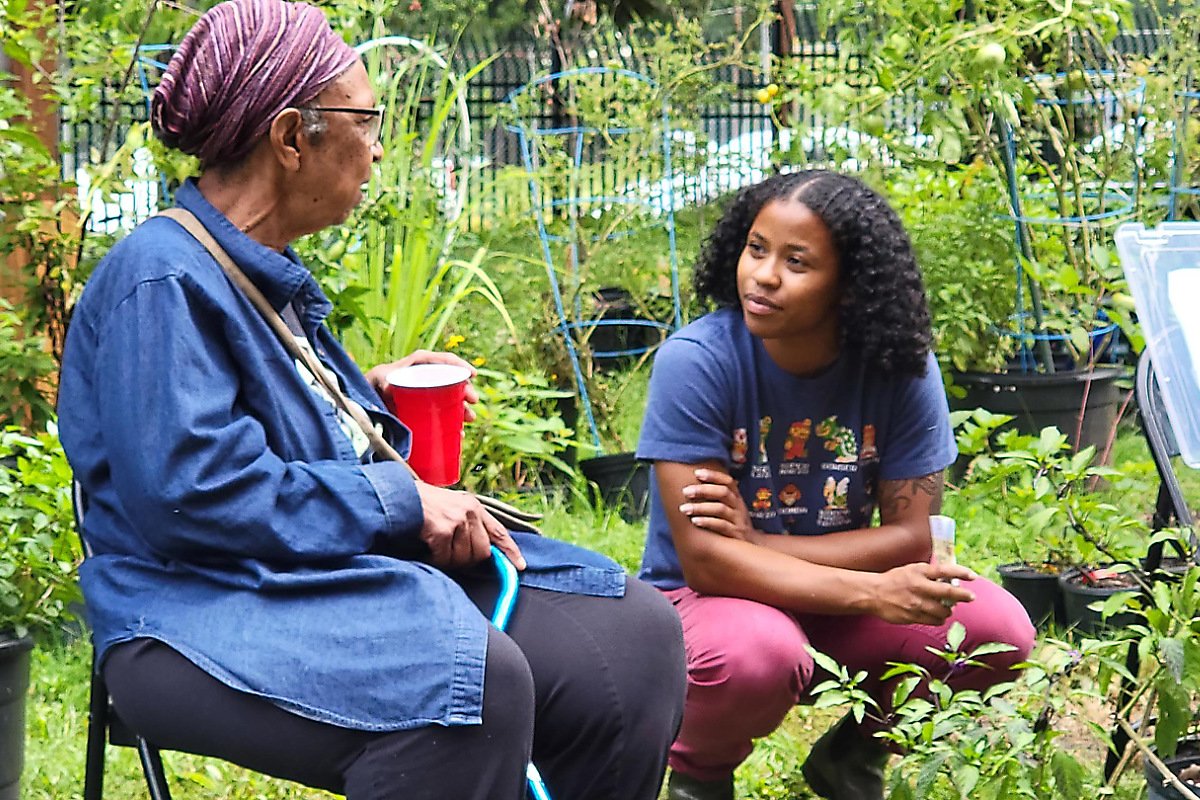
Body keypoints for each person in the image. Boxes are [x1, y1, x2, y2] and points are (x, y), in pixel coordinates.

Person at [56, 2, 685, 798]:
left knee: (635, 637)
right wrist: (403, 501)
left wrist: (356, 403)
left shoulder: (250, 267)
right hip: (190, 610)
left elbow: (247, 427)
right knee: (466, 688)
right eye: (365, 118)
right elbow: (191, 493)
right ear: (291, 139)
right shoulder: (161, 279)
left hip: (310, 567)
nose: (379, 146)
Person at [635, 170, 1036, 800]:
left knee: (994, 632)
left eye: (797, 262)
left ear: (851, 287)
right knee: (757, 654)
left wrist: (758, 542)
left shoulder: (901, 366)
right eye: (756, 248)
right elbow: (708, 561)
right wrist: (870, 593)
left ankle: (856, 756)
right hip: (711, 604)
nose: (763, 275)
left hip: (825, 592)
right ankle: (699, 780)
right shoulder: (699, 362)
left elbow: (911, 537)